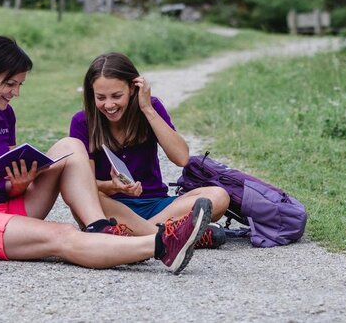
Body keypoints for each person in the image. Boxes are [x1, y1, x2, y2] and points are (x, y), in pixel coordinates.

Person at [0, 36, 211, 274]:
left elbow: (10, 184)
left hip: (10, 205)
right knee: (61, 234)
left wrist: (21, 182)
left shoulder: (3, 115)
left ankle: (99, 226)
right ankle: (162, 244)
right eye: (10, 84)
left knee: (70, 145)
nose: (15, 92)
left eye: (19, 84)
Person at [69, 52, 231, 246]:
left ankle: (137, 237)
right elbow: (83, 184)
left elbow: (181, 158)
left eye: (117, 96)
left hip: (156, 205)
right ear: (91, 94)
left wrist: (147, 109)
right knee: (80, 199)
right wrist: (113, 186)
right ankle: (169, 236)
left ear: (132, 88)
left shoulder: (151, 108)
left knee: (218, 196)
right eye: (101, 97)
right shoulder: (82, 122)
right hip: (110, 207)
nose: (109, 104)